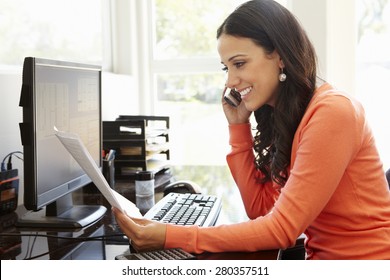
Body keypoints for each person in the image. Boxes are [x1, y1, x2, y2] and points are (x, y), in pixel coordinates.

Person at [113, 0, 390, 260]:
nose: (231, 81)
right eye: (226, 67)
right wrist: (238, 126)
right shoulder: (292, 115)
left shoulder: (333, 113)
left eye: (240, 63)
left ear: (279, 56)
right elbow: (261, 209)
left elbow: (281, 229)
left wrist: (170, 236)